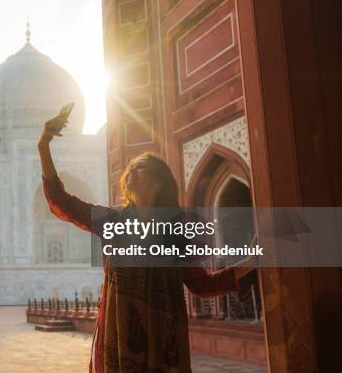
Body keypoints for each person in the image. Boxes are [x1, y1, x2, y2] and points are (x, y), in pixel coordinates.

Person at [37, 114, 256, 372]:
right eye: (131, 166)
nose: (131, 169)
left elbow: (202, 284)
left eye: (140, 166)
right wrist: (44, 147)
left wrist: (252, 262)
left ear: (158, 180)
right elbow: (60, 202)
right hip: (118, 339)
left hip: (164, 341)